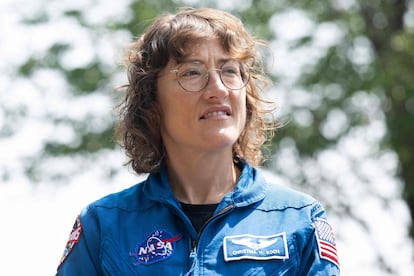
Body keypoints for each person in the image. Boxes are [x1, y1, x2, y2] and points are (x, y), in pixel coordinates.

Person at [56, 7, 340, 275]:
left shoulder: (298, 220)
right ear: (152, 104)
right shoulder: (103, 226)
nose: (218, 89)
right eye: (192, 72)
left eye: (230, 70)